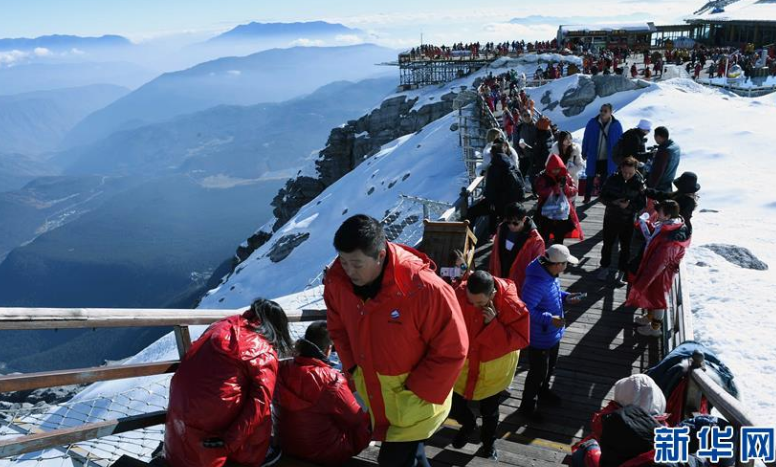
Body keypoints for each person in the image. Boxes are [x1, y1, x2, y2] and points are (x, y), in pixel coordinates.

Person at [325, 215, 469, 467]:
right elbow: (338, 329)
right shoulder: (338, 283)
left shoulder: (424, 288)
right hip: (378, 395)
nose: (349, 271)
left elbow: (452, 348)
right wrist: (353, 369)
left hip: (415, 400)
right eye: (344, 262)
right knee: (412, 456)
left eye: (356, 264)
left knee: (395, 460)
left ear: (380, 255)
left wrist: (415, 393)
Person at [164, 299, 293, 467]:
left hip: (177, 436)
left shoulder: (221, 325)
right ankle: (250, 455)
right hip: (212, 445)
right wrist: (228, 442)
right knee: (261, 412)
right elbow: (260, 404)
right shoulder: (261, 350)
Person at [450, 271, 530, 460]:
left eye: (479, 303)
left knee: (490, 411)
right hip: (465, 365)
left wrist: (493, 325)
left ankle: (488, 443)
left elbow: (521, 339)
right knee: (455, 404)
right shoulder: (460, 293)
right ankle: (469, 426)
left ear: (492, 294)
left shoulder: (512, 305)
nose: (474, 306)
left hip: (492, 369)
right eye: (471, 302)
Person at [276, 321, 371, 466]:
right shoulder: (331, 380)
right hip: (325, 453)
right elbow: (356, 420)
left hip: (286, 444)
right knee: (365, 420)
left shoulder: (282, 369)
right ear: (328, 349)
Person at [519, 245, 584, 420]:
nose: (566, 267)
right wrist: (550, 319)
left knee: (549, 368)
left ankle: (544, 392)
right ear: (557, 265)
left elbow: (553, 293)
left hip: (552, 334)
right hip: (541, 337)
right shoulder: (536, 283)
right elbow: (526, 310)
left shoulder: (549, 274)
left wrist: (566, 296)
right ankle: (527, 406)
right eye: (565, 264)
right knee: (537, 373)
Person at [627, 201, 691, 337]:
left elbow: (661, 261)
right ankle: (649, 318)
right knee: (651, 294)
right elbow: (657, 235)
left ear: (667, 216)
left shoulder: (671, 238)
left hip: (661, 273)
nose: (656, 214)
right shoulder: (670, 226)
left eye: (659, 212)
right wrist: (646, 224)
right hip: (657, 268)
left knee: (658, 299)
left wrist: (647, 277)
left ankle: (655, 329)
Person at [597, 157, 646, 284]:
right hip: (611, 217)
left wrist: (629, 206)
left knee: (626, 247)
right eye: (625, 172)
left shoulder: (639, 183)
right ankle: (604, 267)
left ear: (636, 170)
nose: (627, 175)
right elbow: (602, 196)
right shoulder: (612, 179)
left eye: (630, 173)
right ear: (621, 169)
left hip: (628, 219)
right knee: (607, 244)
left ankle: (622, 271)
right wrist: (613, 202)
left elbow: (641, 204)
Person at [488, 203, 545, 296]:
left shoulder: (536, 240)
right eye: (508, 222)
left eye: (515, 223)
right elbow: (495, 254)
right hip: (500, 276)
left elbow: (538, 268)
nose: (511, 226)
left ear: (524, 219)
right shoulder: (501, 228)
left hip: (520, 284)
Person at [535, 154, 583, 245]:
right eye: (554, 169)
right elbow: (540, 191)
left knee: (560, 234)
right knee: (544, 233)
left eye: (558, 168)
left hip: (562, 210)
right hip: (546, 210)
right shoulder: (543, 177)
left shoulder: (566, 176)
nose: (556, 171)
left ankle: (558, 250)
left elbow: (573, 191)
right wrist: (554, 188)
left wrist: (565, 187)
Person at [581, 103, 624, 203]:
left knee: (605, 180)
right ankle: (587, 197)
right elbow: (586, 138)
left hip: (608, 158)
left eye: (605, 111)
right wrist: (584, 151)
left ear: (611, 112)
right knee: (590, 177)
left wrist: (619, 157)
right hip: (593, 156)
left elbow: (620, 143)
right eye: (601, 110)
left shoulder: (616, 125)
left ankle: (602, 198)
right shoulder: (592, 122)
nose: (602, 113)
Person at [647, 126, 681, 192]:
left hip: (660, 187)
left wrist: (651, 188)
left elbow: (658, 171)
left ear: (658, 137)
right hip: (668, 184)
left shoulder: (664, 151)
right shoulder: (675, 147)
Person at [514, 110, 539, 182]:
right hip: (524, 157)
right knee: (522, 175)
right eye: (525, 115)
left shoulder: (537, 126)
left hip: (536, 156)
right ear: (521, 117)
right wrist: (520, 154)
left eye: (528, 115)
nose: (527, 117)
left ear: (531, 115)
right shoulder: (519, 128)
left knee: (536, 176)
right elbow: (515, 142)